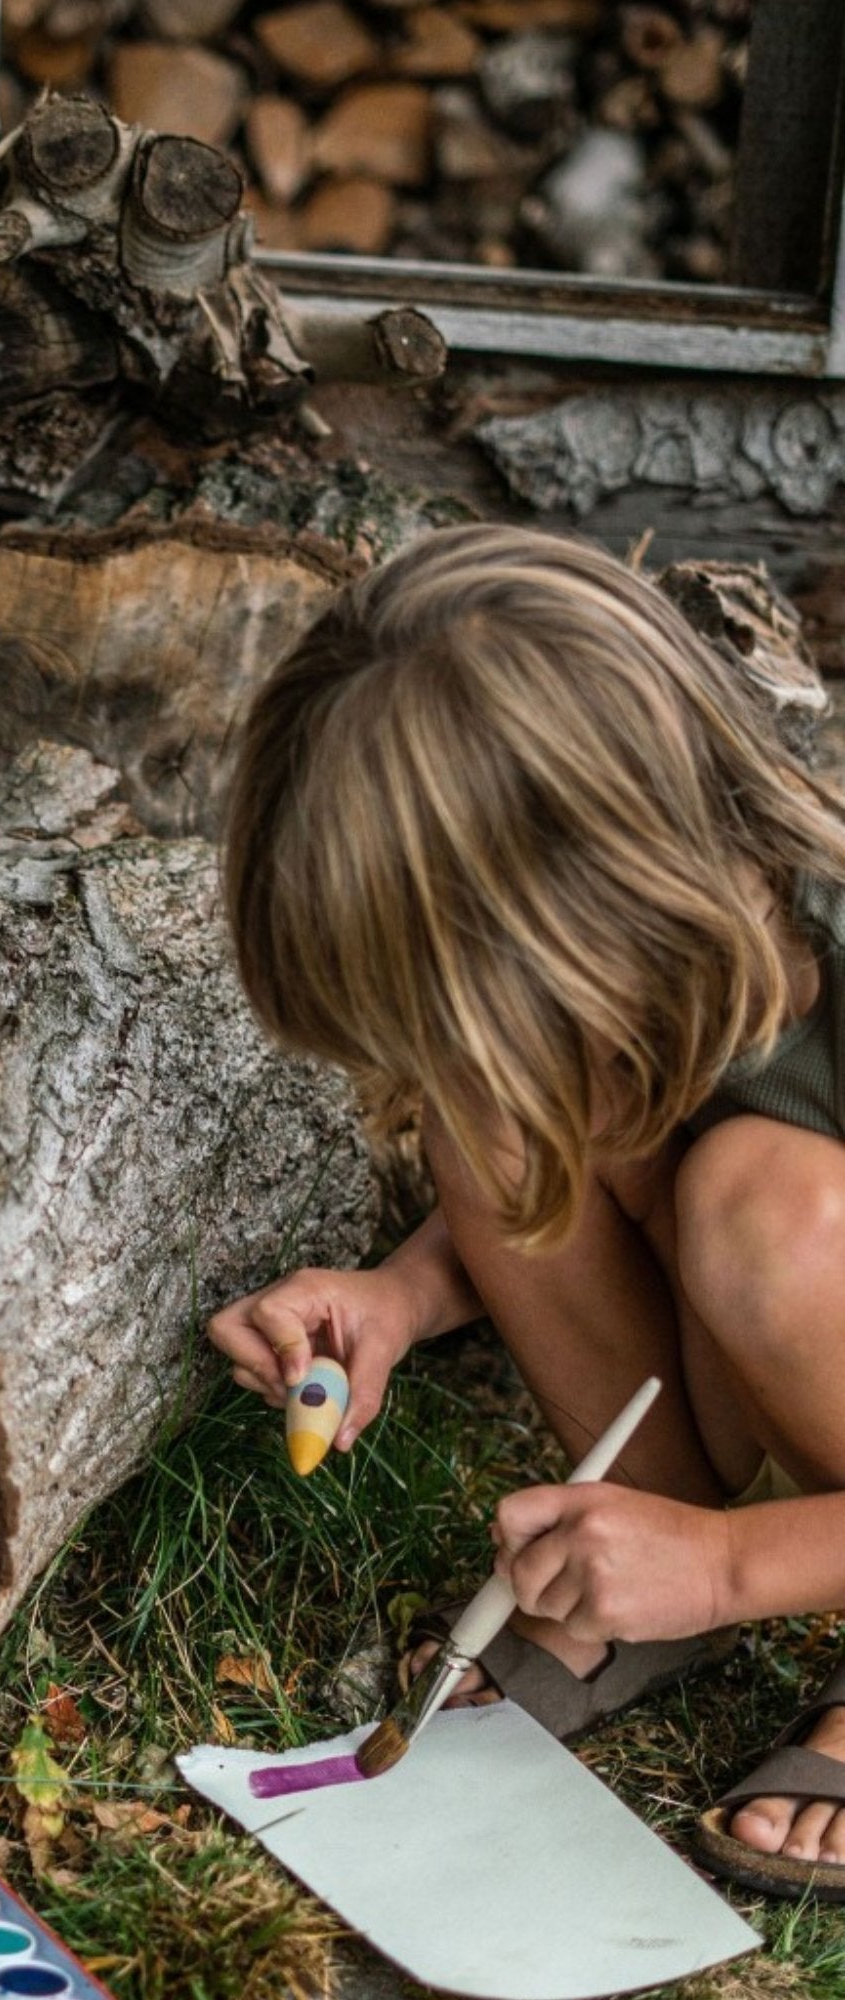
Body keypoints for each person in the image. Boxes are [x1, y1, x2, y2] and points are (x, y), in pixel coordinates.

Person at [208, 522, 845, 1902]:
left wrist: (736, 1565)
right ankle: (645, 1562)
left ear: (590, 915)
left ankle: (702, 1566)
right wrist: (407, 1297)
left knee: (768, 1208)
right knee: (509, 1114)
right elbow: (566, 1139)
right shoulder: (675, 962)